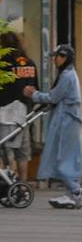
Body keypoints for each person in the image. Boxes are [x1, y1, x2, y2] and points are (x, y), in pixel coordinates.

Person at [24, 45, 82, 209]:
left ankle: (76, 191)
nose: (55, 59)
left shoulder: (67, 76)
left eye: (58, 56)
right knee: (65, 157)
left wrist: (34, 95)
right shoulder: (67, 74)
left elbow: (53, 97)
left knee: (61, 157)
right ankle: (71, 194)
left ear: (65, 57)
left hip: (66, 122)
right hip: (66, 120)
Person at [0, 31, 38, 181]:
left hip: (4, 114)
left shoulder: (3, 64)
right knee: (22, 153)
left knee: (6, 151)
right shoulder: (29, 63)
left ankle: (8, 183)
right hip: (24, 115)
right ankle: (22, 185)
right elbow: (35, 89)